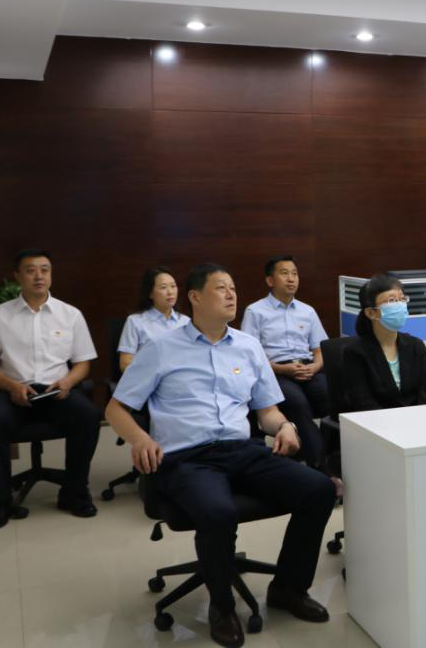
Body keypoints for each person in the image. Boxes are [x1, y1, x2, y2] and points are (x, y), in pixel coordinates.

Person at [108, 263, 335, 648]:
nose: (231, 294)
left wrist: (283, 426)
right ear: (195, 297)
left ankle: (288, 588)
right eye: (220, 288)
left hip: (241, 450)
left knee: (319, 489)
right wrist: (140, 438)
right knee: (217, 511)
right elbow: (115, 409)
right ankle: (222, 607)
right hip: (186, 457)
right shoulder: (161, 348)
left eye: (233, 287)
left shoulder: (248, 346)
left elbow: (266, 410)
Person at [0, 248, 101, 530]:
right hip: (11, 392)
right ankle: (1, 502)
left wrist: (68, 381)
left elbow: (83, 363)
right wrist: (11, 386)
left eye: (44, 269)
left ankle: (74, 493)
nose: (39, 276)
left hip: (56, 392)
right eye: (30, 270)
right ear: (18, 276)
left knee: (89, 416)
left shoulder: (70, 315)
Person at [240, 256, 329, 468]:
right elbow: (251, 355)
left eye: (295, 273)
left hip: (308, 368)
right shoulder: (255, 311)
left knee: (332, 395)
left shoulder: (307, 311)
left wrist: (315, 366)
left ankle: (330, 454)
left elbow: (320, 349)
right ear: (270, 281)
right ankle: (319, 464)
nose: (291, 278)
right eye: (284, 273)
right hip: (275, 371)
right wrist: (283, 369)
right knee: (297, 403)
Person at [341, 274, 426, 412]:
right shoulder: (355, 352)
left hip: (416, 420)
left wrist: (420, 418)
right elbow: (363, 402)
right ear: (371, 313)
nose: (399, 305)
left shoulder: (416, 346)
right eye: (391, 300)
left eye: (402, 299)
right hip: (375, 422)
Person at [117, 266, 190, 371]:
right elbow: (125, 363)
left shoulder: (186, 322)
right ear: (150, 293)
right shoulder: (135, 321)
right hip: (149, 378)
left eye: (173, 286)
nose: (170, 292)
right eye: (163, 287)